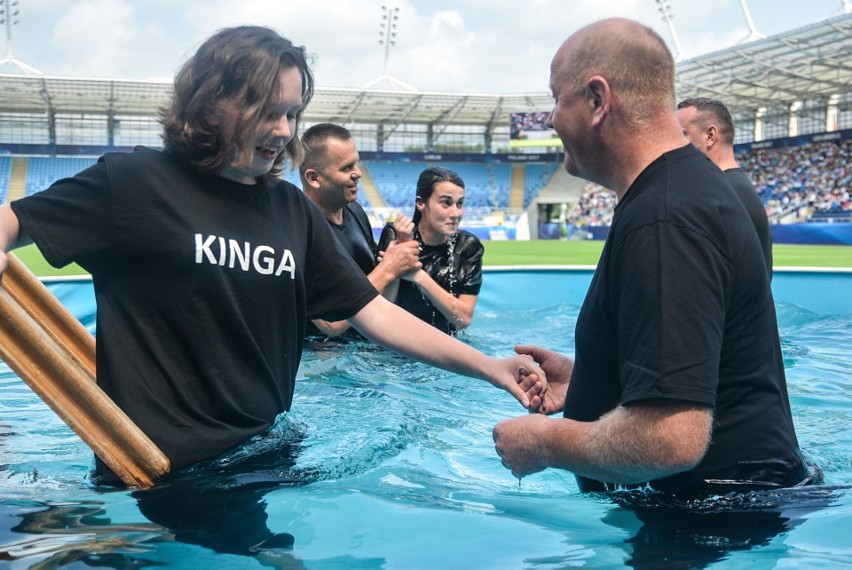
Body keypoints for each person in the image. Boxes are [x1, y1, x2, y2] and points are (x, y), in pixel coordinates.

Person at [0, 25, 546, 487]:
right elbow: (14, 222)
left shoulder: (290, 209)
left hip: (266, 455)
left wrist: (490, 368)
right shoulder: (134, 184)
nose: (284, 131)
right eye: (268, 111)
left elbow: (374, 313)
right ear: (210, 104)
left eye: (291, 114)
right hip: (156, 475)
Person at [493, 18, 818, 498]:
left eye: (556, 98)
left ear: (598, 101)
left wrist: (544, 442)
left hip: (712, 525)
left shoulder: (665, 219)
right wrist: (591, 380)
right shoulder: (678, 193)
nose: (552, 118)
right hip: (735, 512)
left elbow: (670, 440)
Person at [299, 122, 420, 338]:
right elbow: (330, 324)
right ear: (314, 178)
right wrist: (388, 269)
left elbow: (378, 298)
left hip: (366, 350)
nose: (358, 173)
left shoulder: (355, 211)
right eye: (347, 168)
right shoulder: (297, 228)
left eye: (356, 164)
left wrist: (399, 258)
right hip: (325, 361)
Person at [677, 97, 773, 277]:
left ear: (710, 136)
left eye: (683, 134)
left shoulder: (717, 193)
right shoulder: (736, 188)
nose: (674, 143)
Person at [384, 166, 484, 335]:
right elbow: (383, 306)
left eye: (459, 204)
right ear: (421, 203)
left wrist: (418, 275)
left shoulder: (468, 246)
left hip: (447, 343)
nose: (455, 213)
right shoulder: (396, 234)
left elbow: (463, 320)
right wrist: (404, 247)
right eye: (446, 203)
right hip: (398, 344)